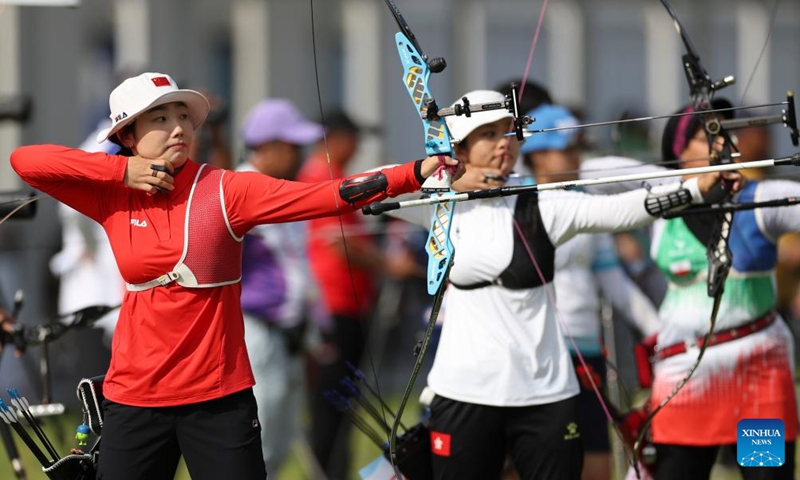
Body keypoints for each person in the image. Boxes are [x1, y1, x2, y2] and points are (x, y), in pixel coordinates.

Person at [9, 72, 461, 480]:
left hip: (217, 398)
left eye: (183, 116)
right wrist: (120, 167)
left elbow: (329, 196)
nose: (179, 128)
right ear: (128, 134)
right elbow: (25, 160)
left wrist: (418, 171)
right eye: (160, 119)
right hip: (135, 397)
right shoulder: (112, 195)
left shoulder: (227, 189)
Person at [385, 89, 739, 480]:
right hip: (464, 392)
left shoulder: (545, 204)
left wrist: (695, 188)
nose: (504, 143)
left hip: (546, 393)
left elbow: (617, 210)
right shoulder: (438, 203)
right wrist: (451, 181)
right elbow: (372, 187)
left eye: (508, 132)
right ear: (460, 147)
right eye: (489, 134)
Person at [643, 103, 799, 480]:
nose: (723, 144)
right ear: (678, 150)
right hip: (686, 377)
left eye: (727, 134)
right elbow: (591, 172)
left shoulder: (762, 198)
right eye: (708, 136)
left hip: (757, 374)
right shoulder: (657, 198)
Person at [517, 103, 661, 480]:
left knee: (597, 463)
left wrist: (658, 331)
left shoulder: (585, 204)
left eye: (578, 148)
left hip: (588, 354)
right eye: (566, 149)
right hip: (539, 356)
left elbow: (614, 283)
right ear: (536, 155)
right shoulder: (516, 206)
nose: (576, 157)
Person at [298, 110, 424, 479]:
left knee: (345, 401)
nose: (357, 146)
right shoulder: (320, 177)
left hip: (350, 305)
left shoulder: (336, 176)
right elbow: (338, 243)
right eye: (353, 137)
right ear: (335, 139)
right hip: (332, 307)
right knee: (331, 402)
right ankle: (325, 471)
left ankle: (335, 469)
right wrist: (388, 265)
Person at [236, 98, 329, 476]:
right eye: (292, 147)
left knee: (282, 435)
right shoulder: (239, 188)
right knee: (259, 439)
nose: (300, 154)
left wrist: (315, 323)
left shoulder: (281, 187)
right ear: (267, 146)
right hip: (255, 330)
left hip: (289, 334)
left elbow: (297, 263)